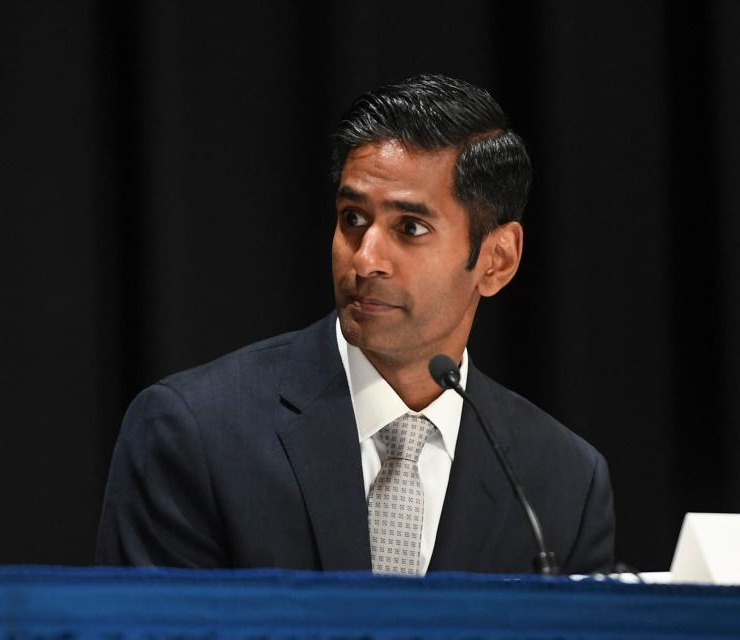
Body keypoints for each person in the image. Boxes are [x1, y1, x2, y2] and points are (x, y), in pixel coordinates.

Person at [96, 74, 615, 575]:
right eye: (353, 219)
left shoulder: (563, 482)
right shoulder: (194, 433)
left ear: (497, 259)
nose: (365, 260)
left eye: (410, 228)